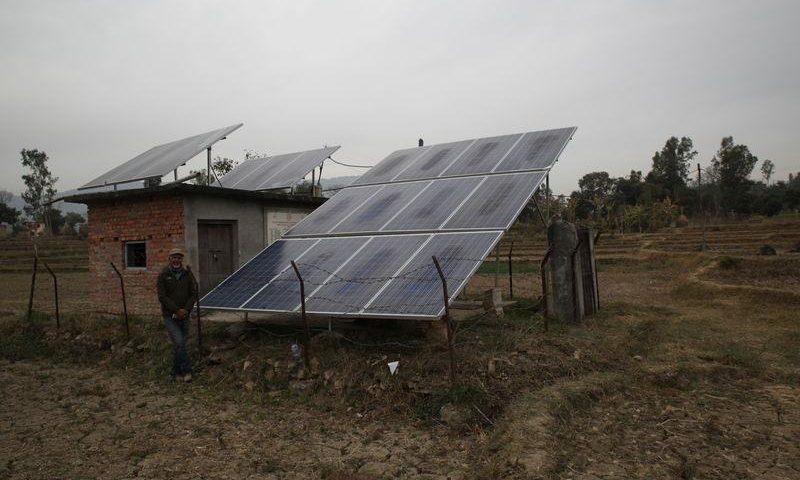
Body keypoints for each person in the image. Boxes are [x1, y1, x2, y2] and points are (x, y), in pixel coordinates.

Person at [156, 247, 198, 381]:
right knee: (179, 342)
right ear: (170, 259)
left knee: (180, 345)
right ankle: (187, 371)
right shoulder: (163, 275)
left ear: (181, 259)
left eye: (179, 257)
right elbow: (162, 297)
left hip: (185, 315)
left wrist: (186, 310)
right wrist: (176, 310)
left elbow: (193, 294)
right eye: (174, 257)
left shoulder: (188, 275)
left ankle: (175, 373)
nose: (176, 260)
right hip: (170, 316)